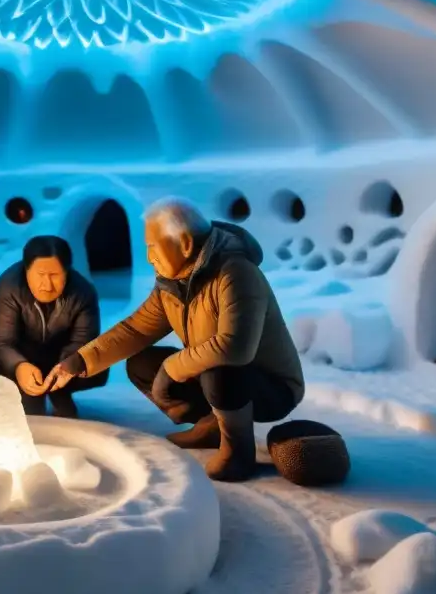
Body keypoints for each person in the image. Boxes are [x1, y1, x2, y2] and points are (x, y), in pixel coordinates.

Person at [44, 198, 304, 482]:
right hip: (214, 376)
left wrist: (171, 369)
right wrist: (80, 360)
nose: (149, 257)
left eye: (153, 247)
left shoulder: (236, 273)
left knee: (220, 371)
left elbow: (234, 348)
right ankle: (213, 426)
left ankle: (239, 450)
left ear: (185, 245)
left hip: (270, 388)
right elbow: (137, 330)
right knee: (141, 364)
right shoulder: (173, 282)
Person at [0, 236, 108, 418]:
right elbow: (2, 342)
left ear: (67, 272)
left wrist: (65, 368)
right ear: (26, 270)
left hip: (59, 358)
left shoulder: (83, 292)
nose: (46, 284)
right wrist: (19, 366)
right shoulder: (9, 286)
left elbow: (83, 342)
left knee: (96, 362)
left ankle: (59, 393)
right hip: (22, 355)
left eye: (54, 275)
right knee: (32, 413)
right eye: (40, 275)